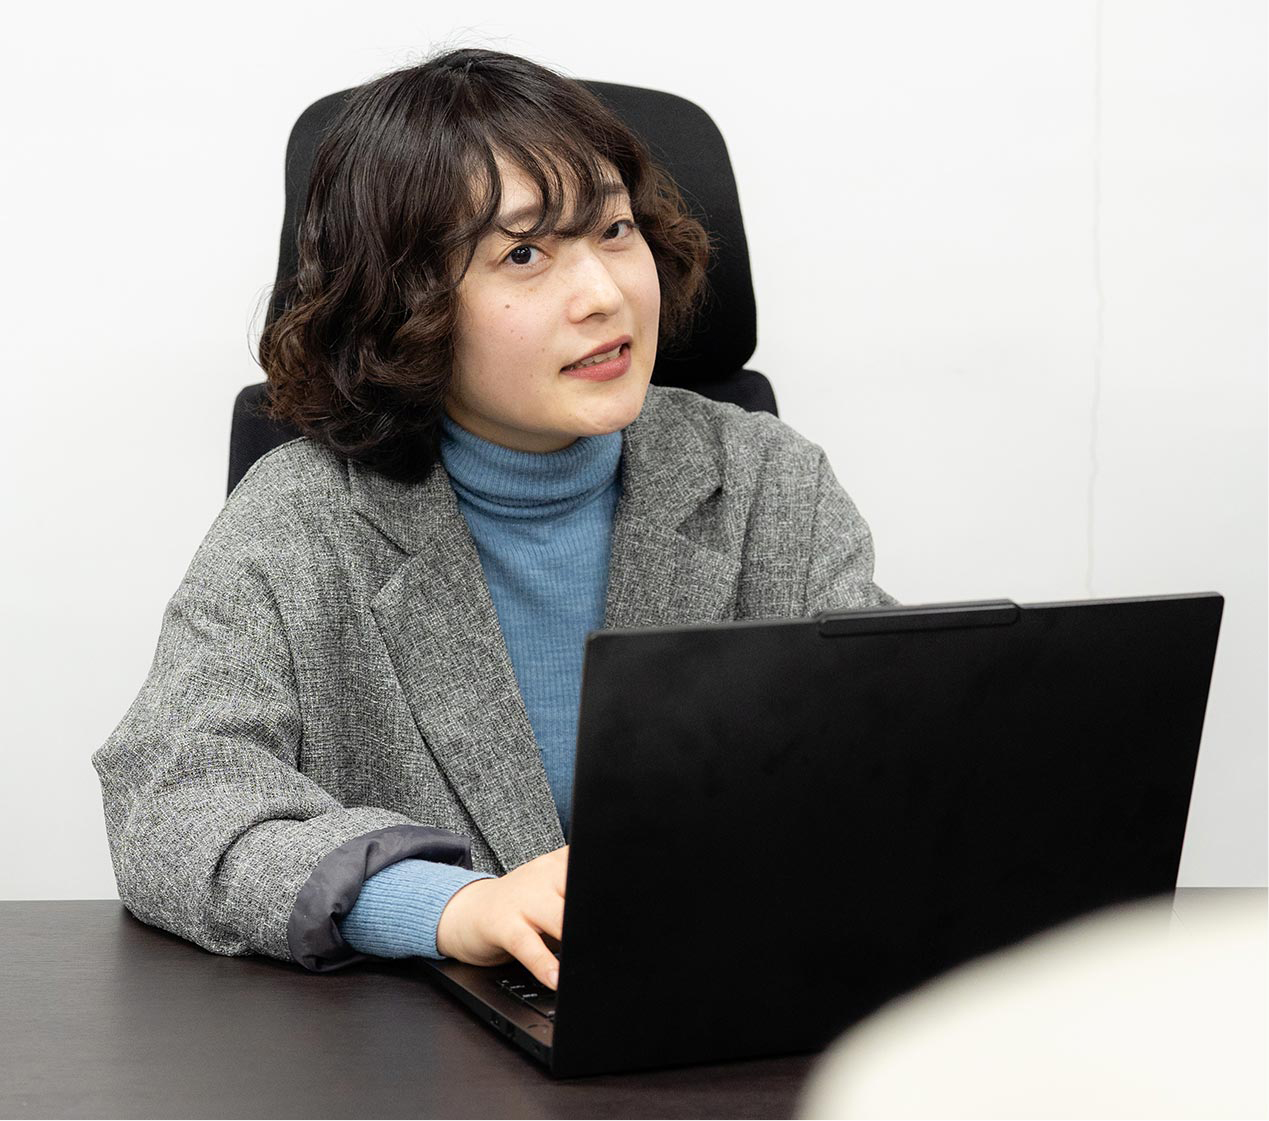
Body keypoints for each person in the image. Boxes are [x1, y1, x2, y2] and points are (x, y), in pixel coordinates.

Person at [91, 47, 894, 993]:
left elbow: (896, 751)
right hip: (417, 1043)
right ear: (406, 307)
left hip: (727, 1013)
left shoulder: (765, 479)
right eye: (522, 254)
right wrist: (445, 906)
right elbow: (170, 803)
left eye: (615, 230)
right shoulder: (300, 517)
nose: (603, 294)